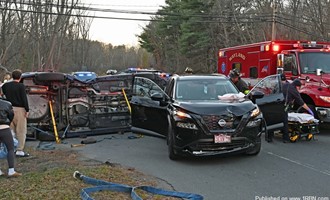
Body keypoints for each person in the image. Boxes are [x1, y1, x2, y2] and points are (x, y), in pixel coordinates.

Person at [1, 69, 30, 157]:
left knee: (10, 130)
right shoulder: (21, 86)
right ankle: (19, 150)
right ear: (20, 77)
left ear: (12, 76)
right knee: (21, 130)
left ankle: (10, 148)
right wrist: (27, 110)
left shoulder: (5, 86)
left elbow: (3, 95)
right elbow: (24, 98)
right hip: (20, 109)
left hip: (8, 108)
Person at [281, 77, 314, 143]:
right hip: (284, 107)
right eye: (299, 88)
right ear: (297, 86)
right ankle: (286, 138)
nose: (299, 89)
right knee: (285, 121)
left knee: (275, 119)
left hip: (277, 105)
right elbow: (302, 103)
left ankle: (269, 136)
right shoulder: (294, 91)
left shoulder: (286, 85)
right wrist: (310, 110)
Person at [0, 98, 22, 177]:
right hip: (4, 128)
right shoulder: (7, 104)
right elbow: (11, 115)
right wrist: (8, 123)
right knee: (10, 149)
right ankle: (11, 170)